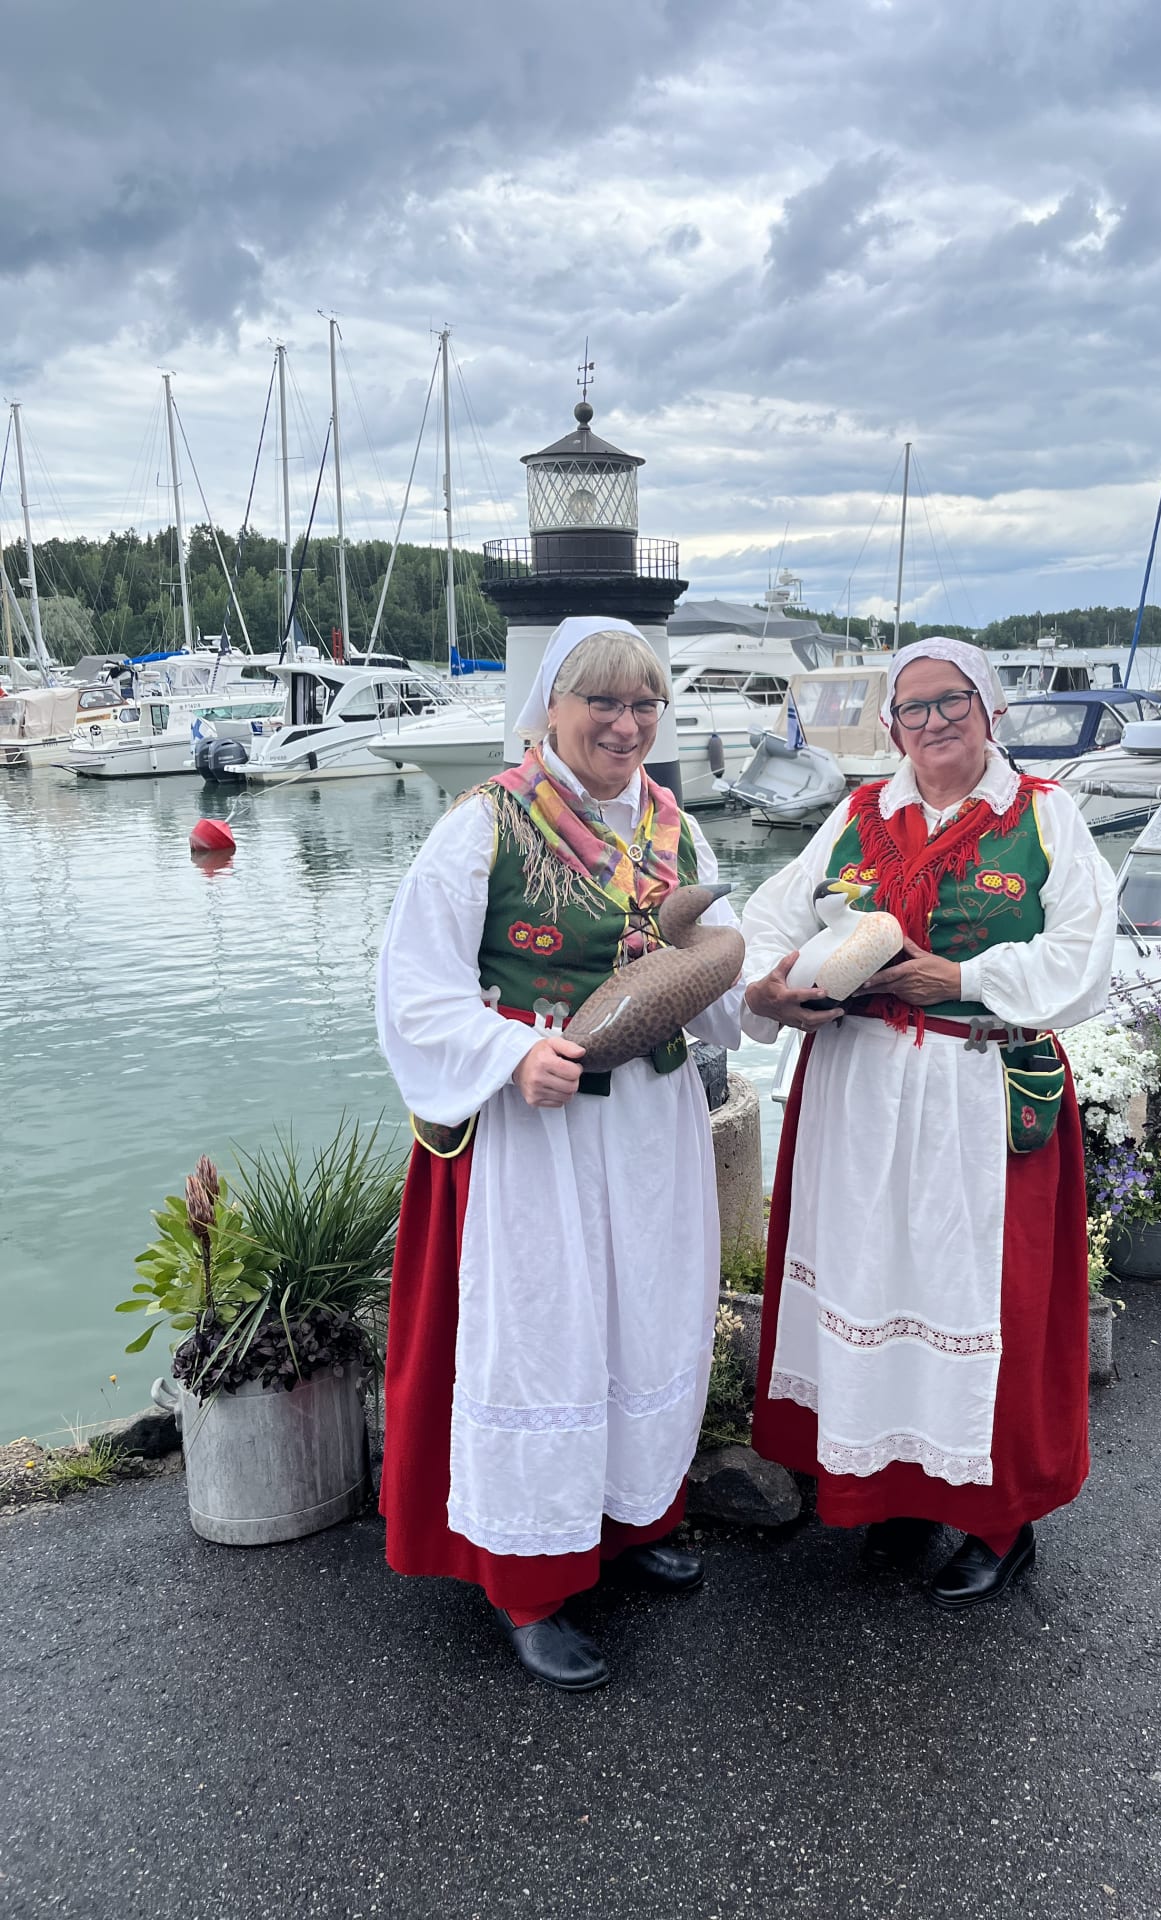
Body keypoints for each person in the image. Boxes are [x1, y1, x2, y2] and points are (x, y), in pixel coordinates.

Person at [375, 617, 743, 1691]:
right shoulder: (482, 825)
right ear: (550, 707)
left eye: (643, 705)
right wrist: (507, 1052)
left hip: (649, 1129)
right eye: (602, 703)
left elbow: (709, 973)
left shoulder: (675, 828)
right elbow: (413, 990)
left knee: (645, 1314)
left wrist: (763, 999)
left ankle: (633, 1519)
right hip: (537, 1135)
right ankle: (530, 1579)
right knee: (546, 1333)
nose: (625, 725)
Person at [740, 638, 1117, 1607]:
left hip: (974, 1086)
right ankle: (887, 1489)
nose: (935, 722)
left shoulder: (1043, 817)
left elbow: (1084, 958)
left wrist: (967, 978)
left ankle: (1003, 1518)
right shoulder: (860, 813)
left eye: (953, 703)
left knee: (984, 1297)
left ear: (989, 711)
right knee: (871, 1277)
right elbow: (773, 920)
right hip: (859, 1089)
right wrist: (774, 989)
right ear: (891, 727)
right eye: (913, 709)